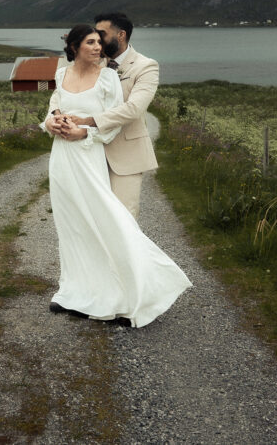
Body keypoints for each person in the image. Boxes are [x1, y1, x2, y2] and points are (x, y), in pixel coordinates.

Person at [41, 24, 190, 328]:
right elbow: (53, 109)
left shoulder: (110, 76)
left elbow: (117, 119)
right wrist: (51, 124)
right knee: (73, 226)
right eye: (92, 42)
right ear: (74, 46)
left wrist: (85, 131)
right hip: (62, 159)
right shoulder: (60, 74)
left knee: (114, 223)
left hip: (89, 154)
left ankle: (132, 296)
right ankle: (75, 292)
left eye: (101, 41)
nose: (99, 46)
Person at [44, 12, 158, 220]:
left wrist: (87, 123)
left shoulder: (146, 66)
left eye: (102, 34)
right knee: (90, 218)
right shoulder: (92, 60)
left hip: (125, 154)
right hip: (87, 154)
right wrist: (55, 117)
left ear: (121, 35)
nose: (97, 40)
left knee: (122, 219)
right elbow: (59, 94)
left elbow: (133, 108)